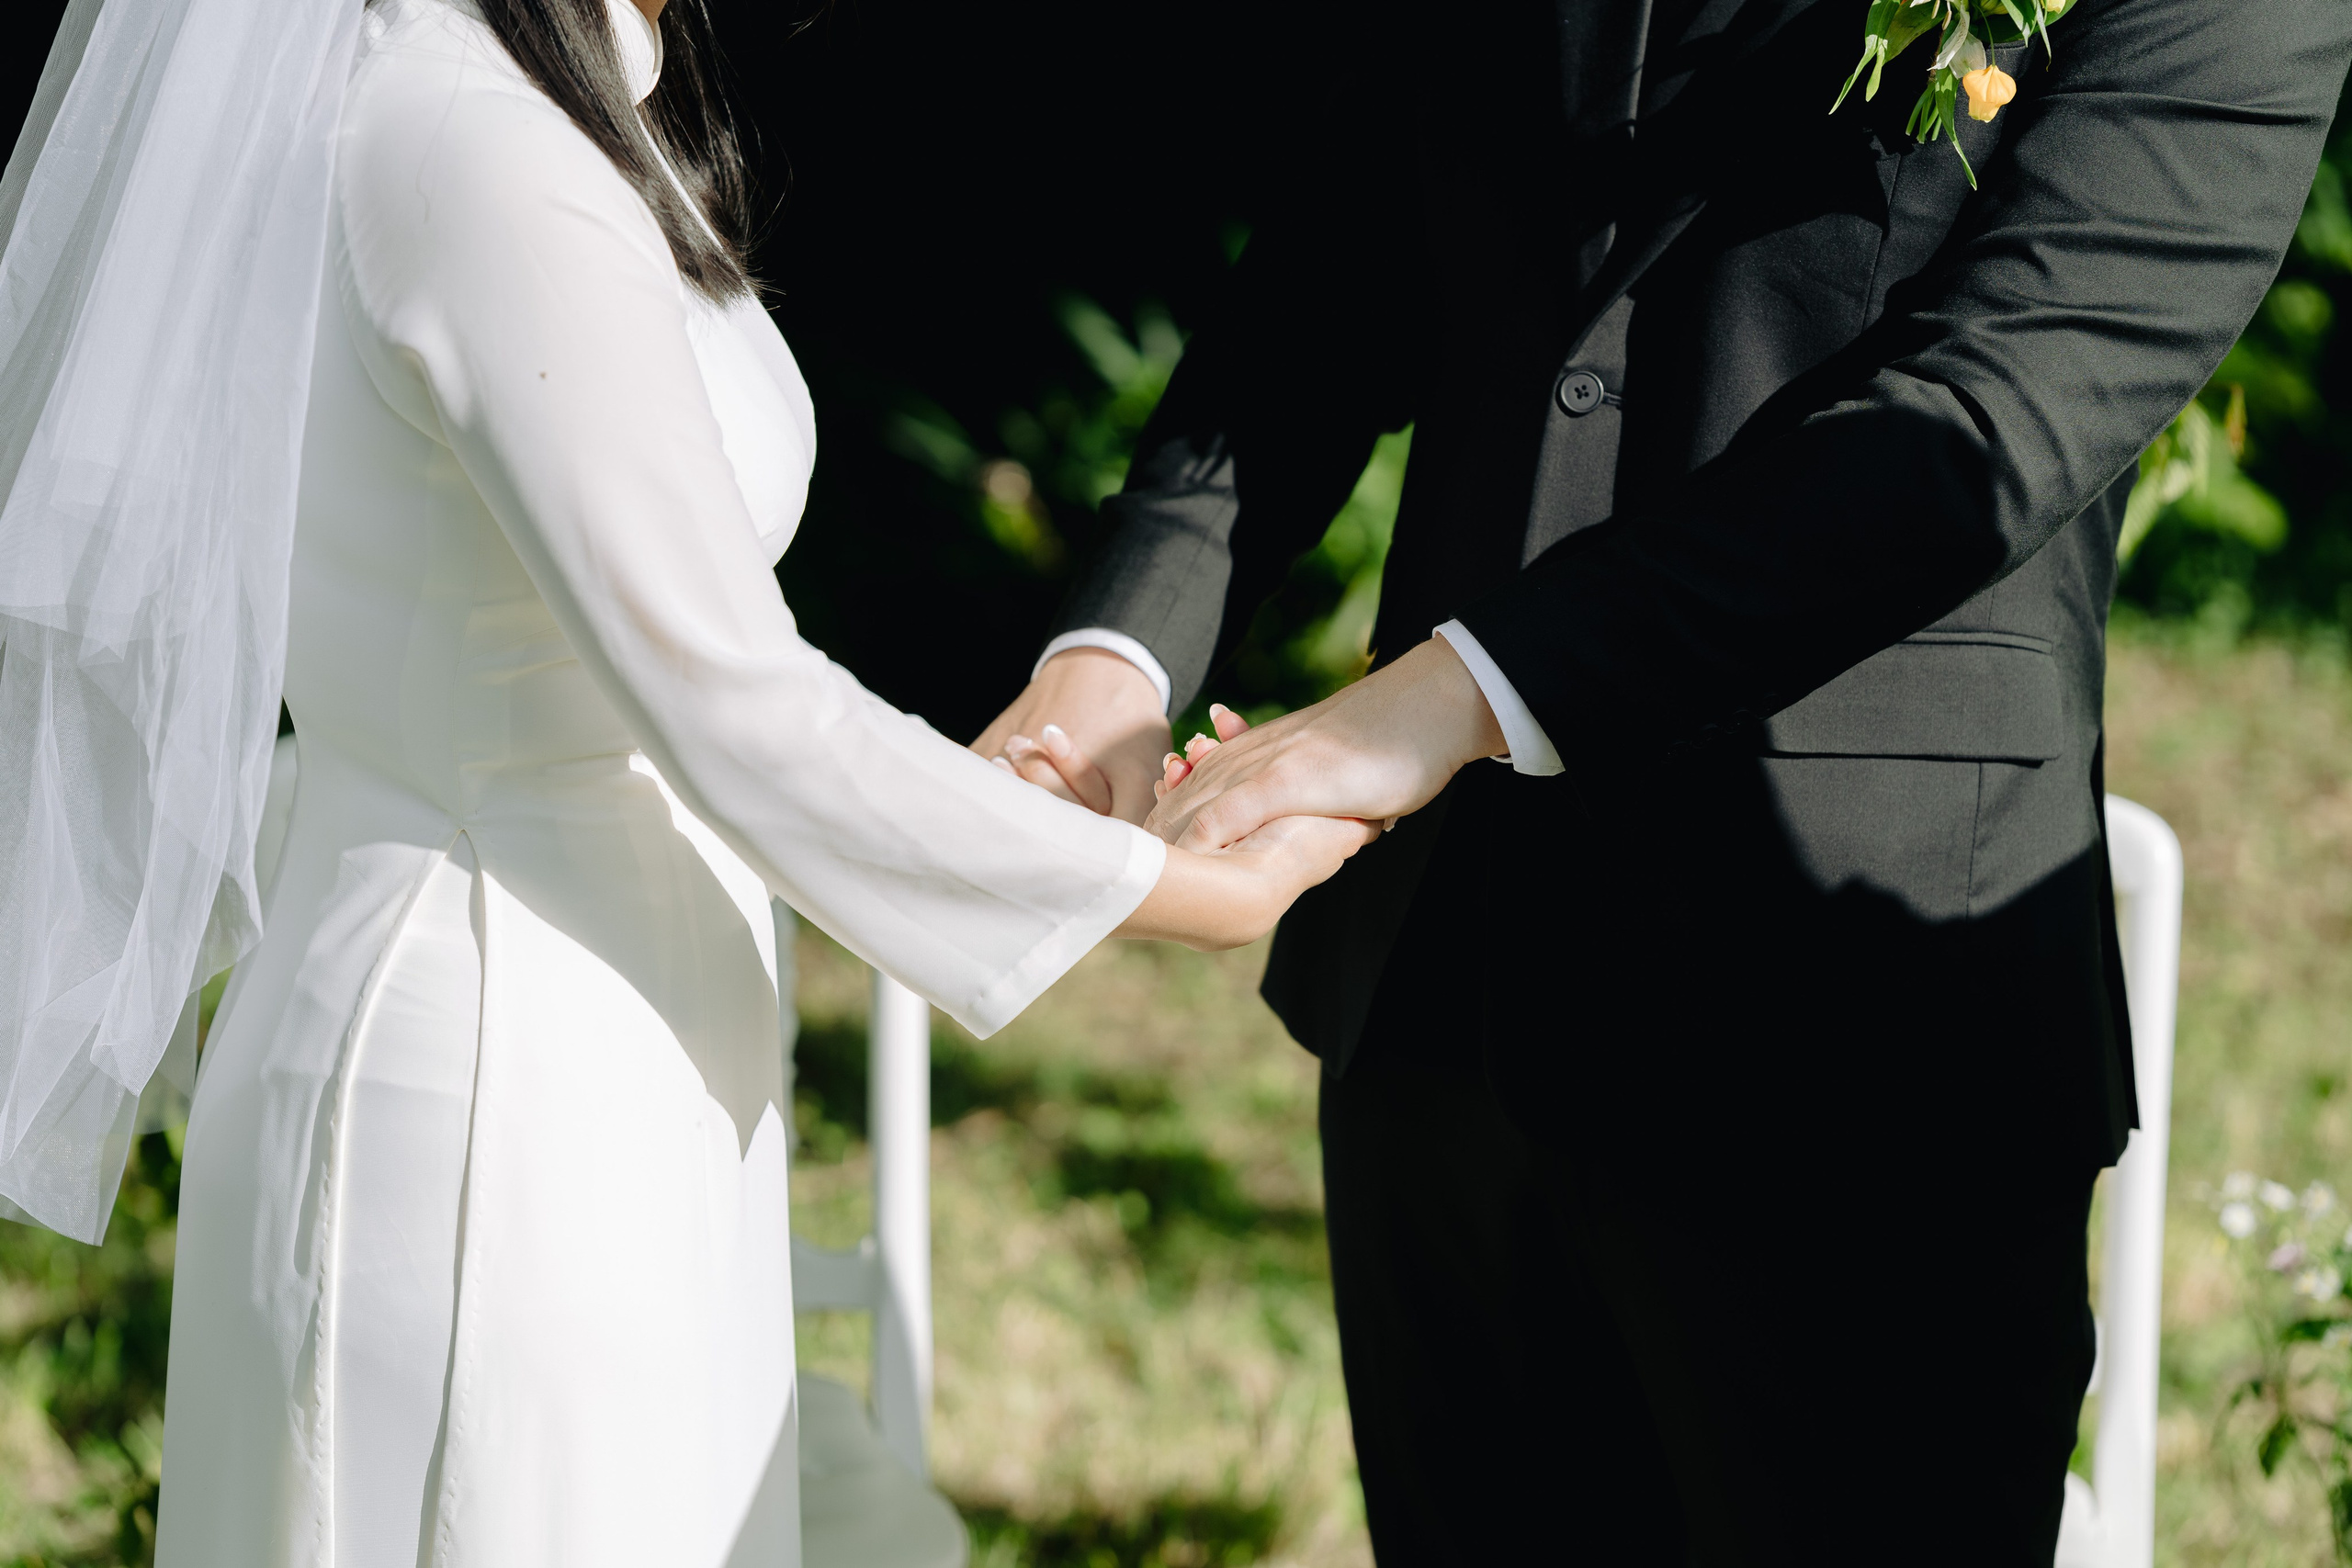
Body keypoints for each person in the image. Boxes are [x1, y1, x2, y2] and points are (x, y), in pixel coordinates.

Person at [978, 1, 2352, 1562]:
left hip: (1858, 1050)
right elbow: (1332, 270)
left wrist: (1453, 694)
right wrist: (1118, 655)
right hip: (1445, 1003)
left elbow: (1989, 417)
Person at [0, 1, 1371, 1563]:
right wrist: (1189, 886)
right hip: (505, 1082)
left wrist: (998, 804)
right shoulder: (478, 151)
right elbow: (735, 706)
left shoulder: (520, 107)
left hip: (608, 1033)